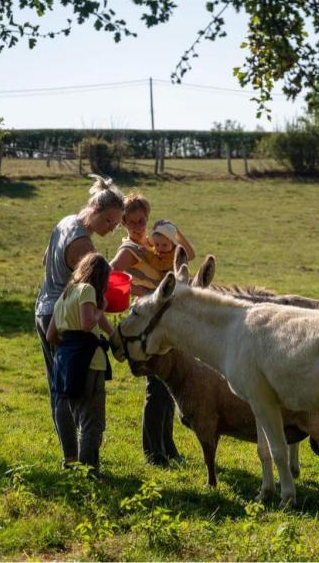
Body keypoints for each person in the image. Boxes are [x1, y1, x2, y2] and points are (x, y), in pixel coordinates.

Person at [34, 174, 123, 467]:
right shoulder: (84, 244)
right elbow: (93, 291)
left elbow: (46, 259)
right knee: (75, 388)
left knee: (58, 384)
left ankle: (70, 455)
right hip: (67, 318)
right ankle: (80, 459)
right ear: (95, 210)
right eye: (108, 220)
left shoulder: (66, 222)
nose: (111, 228)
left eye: (116, 224)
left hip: (45, 309)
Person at [110, 191, 195, 467]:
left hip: (163, 324)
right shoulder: (128, 250)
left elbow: (187, 256)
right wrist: (140, 291)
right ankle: (154, 453)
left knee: (166, 387)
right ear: (123, 222)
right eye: (132, 221)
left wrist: (174, 231)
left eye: (142, 220)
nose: (138, 226)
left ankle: (168, 448)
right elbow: (109, 273)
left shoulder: (151, 244)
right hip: (146, 326)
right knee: (156, 389)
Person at [46, 253, 113, 474]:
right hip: (90, 362)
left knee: (72, 412)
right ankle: (89, 469)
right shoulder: (88, 290)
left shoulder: (65, 295)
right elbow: (87, 323)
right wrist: (102, 308)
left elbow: (51, 335)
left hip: (65, 362)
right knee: (91, 419)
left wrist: (70, 347)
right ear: (101, 277)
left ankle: (71, 461)